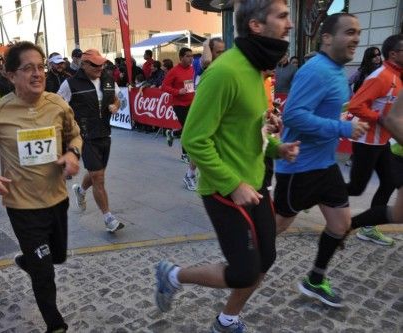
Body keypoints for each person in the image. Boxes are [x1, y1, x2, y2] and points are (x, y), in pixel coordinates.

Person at [155, 1, 299, 332]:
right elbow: (193, 139)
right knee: (244, 271)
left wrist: (278, 148)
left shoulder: (258, 72)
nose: (289, 24)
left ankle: (226, 319)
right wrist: (233, 184)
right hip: (225, 190)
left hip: (256, 184)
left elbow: (251, 131)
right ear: (256, 26)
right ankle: (173, 275)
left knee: (267, 259)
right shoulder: (224, 72)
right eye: (282, 16)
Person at [0, 41, 82, 333]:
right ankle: (56, 325)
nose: (37, 74)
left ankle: (29, 259)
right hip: (22, 207)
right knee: (44, 272)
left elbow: (75, 136)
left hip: (57, 198)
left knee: (58, 256)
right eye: (28, 68)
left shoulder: (58, 105)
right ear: (10, 75)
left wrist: (72, 154)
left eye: (40, 67)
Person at [273, 13, 369, 307]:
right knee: (276, 227)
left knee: (341, 224)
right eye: (349, 32)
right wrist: (342, 128)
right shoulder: (317, 70)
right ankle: (242, 254)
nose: (356, 39)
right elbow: (293, 116)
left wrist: (341, 121)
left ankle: (314, 280)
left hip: (325, 166)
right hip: (299, 166)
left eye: (358, 33)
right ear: (326, 38)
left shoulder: (337, 71)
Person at [57, 49, 125, 233]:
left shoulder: (108, 79)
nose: (100, 68)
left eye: (102, 64)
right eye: (95, 65)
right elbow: (58, 107)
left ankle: (80, 190)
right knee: (98, 177)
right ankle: (108, 218)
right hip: (84, 137)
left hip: (104, 134)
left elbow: (118, 98)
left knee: (98, 173)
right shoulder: (70, 84)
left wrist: (115, 105)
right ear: (83, 64)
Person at [346, 34, 402, 246]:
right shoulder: (381, 76)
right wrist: (381, 118)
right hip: (366, 142)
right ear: (394, 54)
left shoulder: (398, 77)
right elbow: (355, 106)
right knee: (356, 188)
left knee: (389, 183)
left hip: (383, 143)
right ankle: (312, 194)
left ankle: (368, 228)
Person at [162, 47, 197, 190]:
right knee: (188, 129)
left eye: (191, 56)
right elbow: (164, 86)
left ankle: (172, 133)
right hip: (179, 104)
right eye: (188, 56)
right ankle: (184, 154)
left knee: (187, 128)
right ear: (181, 57)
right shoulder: (173, 71)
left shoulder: (193, 69)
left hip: (192, 102)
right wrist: (177, 91)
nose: (190, 59)